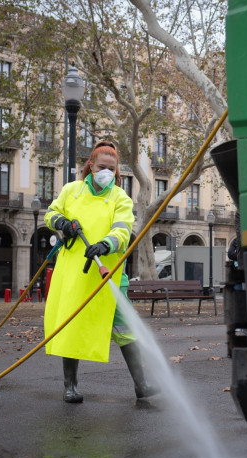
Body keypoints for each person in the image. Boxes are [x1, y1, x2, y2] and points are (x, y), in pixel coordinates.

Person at [44, 140, 157, 403]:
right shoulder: (71, 191)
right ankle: (69, 386)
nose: (106, 172)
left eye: (111, 168)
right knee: (71, 325)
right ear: (91, 166)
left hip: (110, 274)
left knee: (125, 327)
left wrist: (105, 244)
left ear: (117, 172)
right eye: (101, 166)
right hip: (75, 274)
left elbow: (122, 230)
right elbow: (51, 213)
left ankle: (142, 385)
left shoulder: (120, 198)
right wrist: (61, 222)